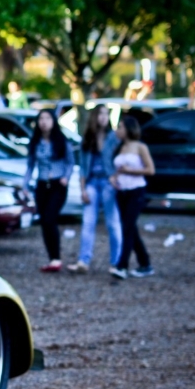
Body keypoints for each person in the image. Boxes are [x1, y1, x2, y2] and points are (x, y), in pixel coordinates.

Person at [67, 105, 122, 273]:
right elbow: (83, 167)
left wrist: (116, 178)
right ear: (94, 117)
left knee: (112, 223)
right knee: (88, 222)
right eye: (100, 114)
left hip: (108, 183)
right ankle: (83, 261)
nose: (103, 117)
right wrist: (82, 189)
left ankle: (117, 262)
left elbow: (122, 159)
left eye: (106, 114)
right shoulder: (87, 139)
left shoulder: (113, 137)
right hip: (91, 183)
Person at [23, 109, 74, 272]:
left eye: (47, 118)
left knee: (50, 218)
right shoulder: (35, 142)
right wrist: (25, 185)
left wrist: (66, 177)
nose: (44, 121)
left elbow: (70, 162)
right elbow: (30, 166)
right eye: (41, 118)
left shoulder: (61, 141)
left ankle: (56, 257)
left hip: (57, 184)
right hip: (42, 184)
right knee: (45, 221)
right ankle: (52, 258)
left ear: (53, 121)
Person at [109, 116, 155, 279]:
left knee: (127, 227)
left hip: (136, 190)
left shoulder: (140, 147)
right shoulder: (120, 147)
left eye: (120, 127)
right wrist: (114, 178)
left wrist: (130, 171)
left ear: (128, 129)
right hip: (122, 191)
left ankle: (122, 266)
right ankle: (145, 263)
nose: (117, 130)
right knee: (130, 228)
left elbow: (150, 170)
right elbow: (119, 169)